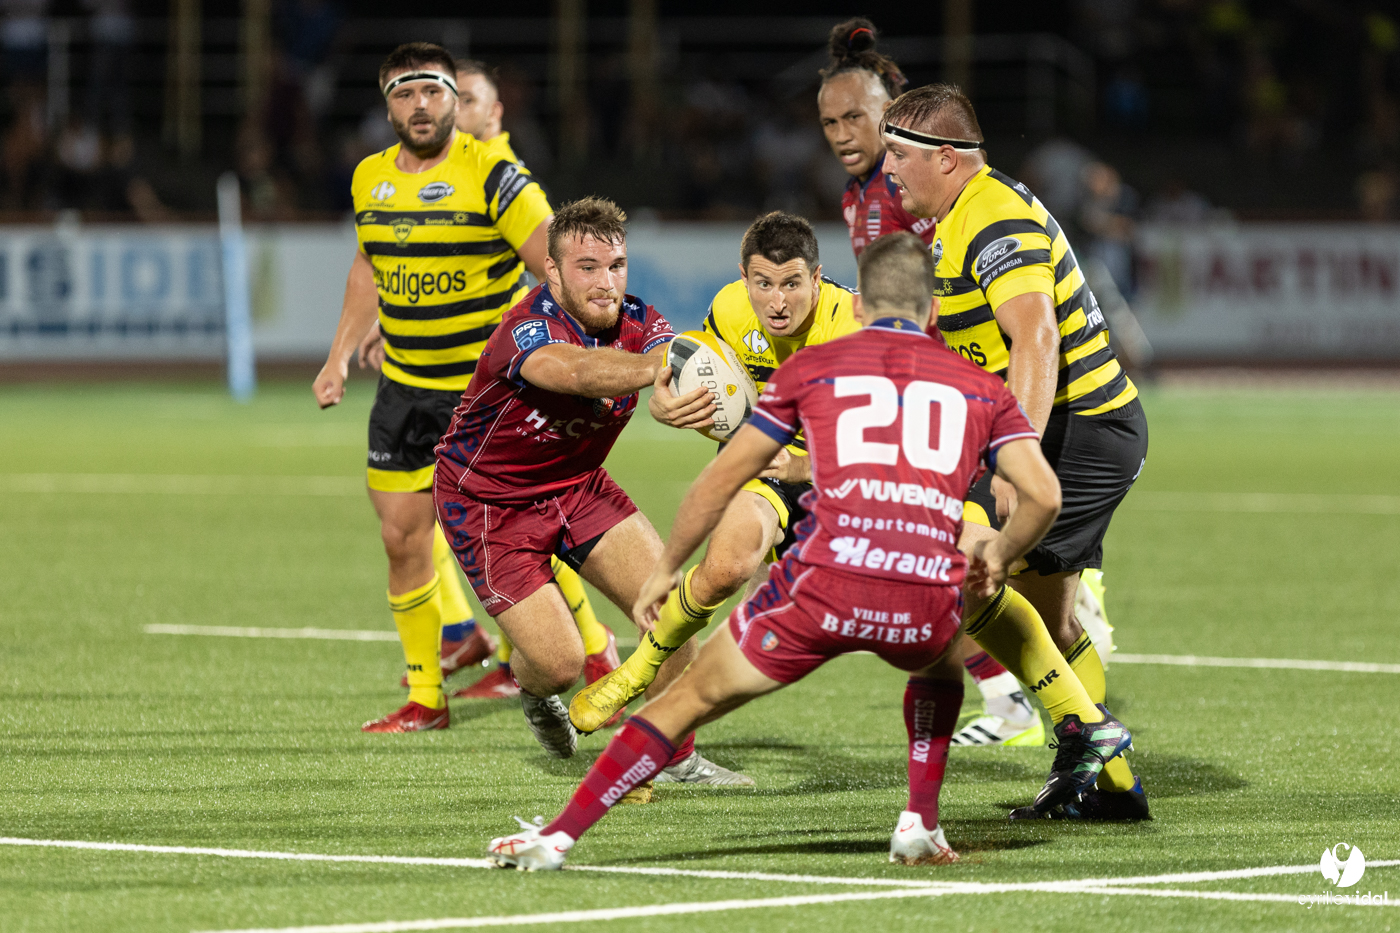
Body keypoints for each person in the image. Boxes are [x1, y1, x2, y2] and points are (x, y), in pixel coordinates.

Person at [486, 233, 1130, 870]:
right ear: (932, 314)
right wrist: (998, 549)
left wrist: (666, 567)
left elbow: (717, 480)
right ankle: (963, 794)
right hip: (919, 598)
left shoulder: (814, 371)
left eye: (792, 282)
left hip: (825, 589)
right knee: (947, 645)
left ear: (849, 302)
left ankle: (559, 837)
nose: (776, 298)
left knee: (689, 700)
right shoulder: (977, 387)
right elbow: (1040, 495)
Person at [880, 83, 1151, 820]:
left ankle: (1089, 745)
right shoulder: (956, 218)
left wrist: (1013, 457)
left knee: (971, 577)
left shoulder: (991, 213)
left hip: (1078, 428)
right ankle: (1107, 777)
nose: (887, 171)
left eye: (898, 155)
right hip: (1076, 427)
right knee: (1044, 619)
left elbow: (1036, 336)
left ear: (947, 157)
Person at [433, 196, 751, 787]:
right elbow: (577, 373)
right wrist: (660, 371)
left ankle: (675, 756)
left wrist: (676, 397)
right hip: (488, 502)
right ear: (551, 271)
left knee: (671, 613)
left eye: (617, 266)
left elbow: (663, 365)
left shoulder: (639, 321)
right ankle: (535, 692)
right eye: (587, 268)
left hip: (579, 486)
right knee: (560, 663)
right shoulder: (525, 329)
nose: (606, 283)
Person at [818, 18, 1044, 749]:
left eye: (860, 116)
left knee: (920, 551)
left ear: (896, 115)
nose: (845, 132)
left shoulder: (913, 193)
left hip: (948, 397)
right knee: (920, 552)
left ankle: (1031, 692)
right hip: (925, 392)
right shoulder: (862, 196)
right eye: (830, 121)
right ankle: (1020, 687)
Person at [313, 43, 551, 732]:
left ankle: (585, 665)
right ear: (387, 103)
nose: (421, 105)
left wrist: (553, 358)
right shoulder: (369, 179)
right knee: (401, 538)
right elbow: (368, 265)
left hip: (483, 395)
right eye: (405, 93)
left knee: (526, 538)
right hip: (405, 392)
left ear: (455, 99)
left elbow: (554, 266)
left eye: (435, 92)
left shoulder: (494, 175)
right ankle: (427, 698)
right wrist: (337, 356)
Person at [568, 211, 859, 733]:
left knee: (766, 648)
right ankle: (636, 676)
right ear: (743, 277)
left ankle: (1032, 701)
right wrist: (663, 401)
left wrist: (802, 465)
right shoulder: (728, 308)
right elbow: (690, 371)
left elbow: (880, 444)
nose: (777, 301)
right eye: (762, 284)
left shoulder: (856, 327)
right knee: (726, 567)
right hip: (763, 463)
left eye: (792, 284)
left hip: (843, 481)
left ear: (817, 279)